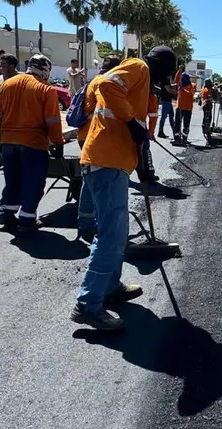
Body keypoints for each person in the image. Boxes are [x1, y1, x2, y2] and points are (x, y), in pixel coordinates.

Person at [72, 45, 175, 331]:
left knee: (116, 234)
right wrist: (131, 122)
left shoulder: (140, 88)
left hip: (113, 162)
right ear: (161, 67)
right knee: (110, 236)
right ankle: (88, 304)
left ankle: (109, 287)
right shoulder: (139, 67)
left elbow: (136, 132)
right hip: (106, 161)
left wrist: (142, 167)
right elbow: (106, 84)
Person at [0, 54, 65, 232]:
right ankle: (27, 219)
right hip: (33, 143)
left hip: (8, 141)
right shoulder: (46, 89)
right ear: (45, 70)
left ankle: (6, 214)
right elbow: (53, 120)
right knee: (33, 181)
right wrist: (57, 142)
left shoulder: (6, 84)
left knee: (12, 179)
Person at [77, 57, 119, 242]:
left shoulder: (94, 81)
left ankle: (87, 221)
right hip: (94, 137)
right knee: (93, 182)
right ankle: (88, 224)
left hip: (86, 136)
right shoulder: (104, 83)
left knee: (90, 180)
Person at [174, 72, 195, 142]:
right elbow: (176, 79)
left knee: (186, 124)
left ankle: (184, 138)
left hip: (187, 108)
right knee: (177, 123)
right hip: (179, 107)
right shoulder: (180, 84)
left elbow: (191, 94)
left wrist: (183, 90)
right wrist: (179, 70)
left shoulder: (192, 85)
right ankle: (176, 138)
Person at [156, 72, 177, 139]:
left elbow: (169, 88)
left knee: (171, 116)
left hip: (168, 101)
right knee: (164, 117)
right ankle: (160, 131)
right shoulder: (165, 80)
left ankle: (175, 132)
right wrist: (176, 93)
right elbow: (168, 90)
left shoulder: (166, 80)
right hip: (166, 101)